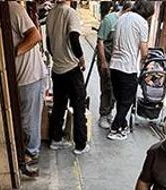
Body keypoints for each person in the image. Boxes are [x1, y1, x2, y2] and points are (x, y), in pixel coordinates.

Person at [46, 0, 90, 155]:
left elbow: (48, 43)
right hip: (71, 70)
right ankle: (80, 145)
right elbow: (74, 37)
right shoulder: (70, 13)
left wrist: (57, 57)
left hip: (57, 69)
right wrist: (81, 58)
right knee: (79, 106)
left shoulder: (51, 13)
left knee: (59, 104)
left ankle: (56, 139)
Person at [107, 0, 154, 141]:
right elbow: (144, 51)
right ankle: (115, 129)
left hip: (114, 65)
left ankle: (123, 124)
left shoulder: (121, 18)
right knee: (127, 101)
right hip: (128, 67)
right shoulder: (142, 22)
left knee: (120, 99)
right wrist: (147, 61)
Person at [8, 2, 46, 178]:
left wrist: (13, 54)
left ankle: (31, 155)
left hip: (30, 75)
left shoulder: (13, 8)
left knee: (29, 119)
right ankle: (28, 153)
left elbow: (34, 36)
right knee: (24, 118)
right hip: (20, 77)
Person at [96, 1, 123, 129]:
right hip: (106, 59)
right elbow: (100, 41)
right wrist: (103, 62)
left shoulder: (125, 21)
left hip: (117, 62)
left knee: (115, 88)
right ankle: (104, 114)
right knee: (107, 87)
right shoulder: (109, 20)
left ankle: (109, 112)